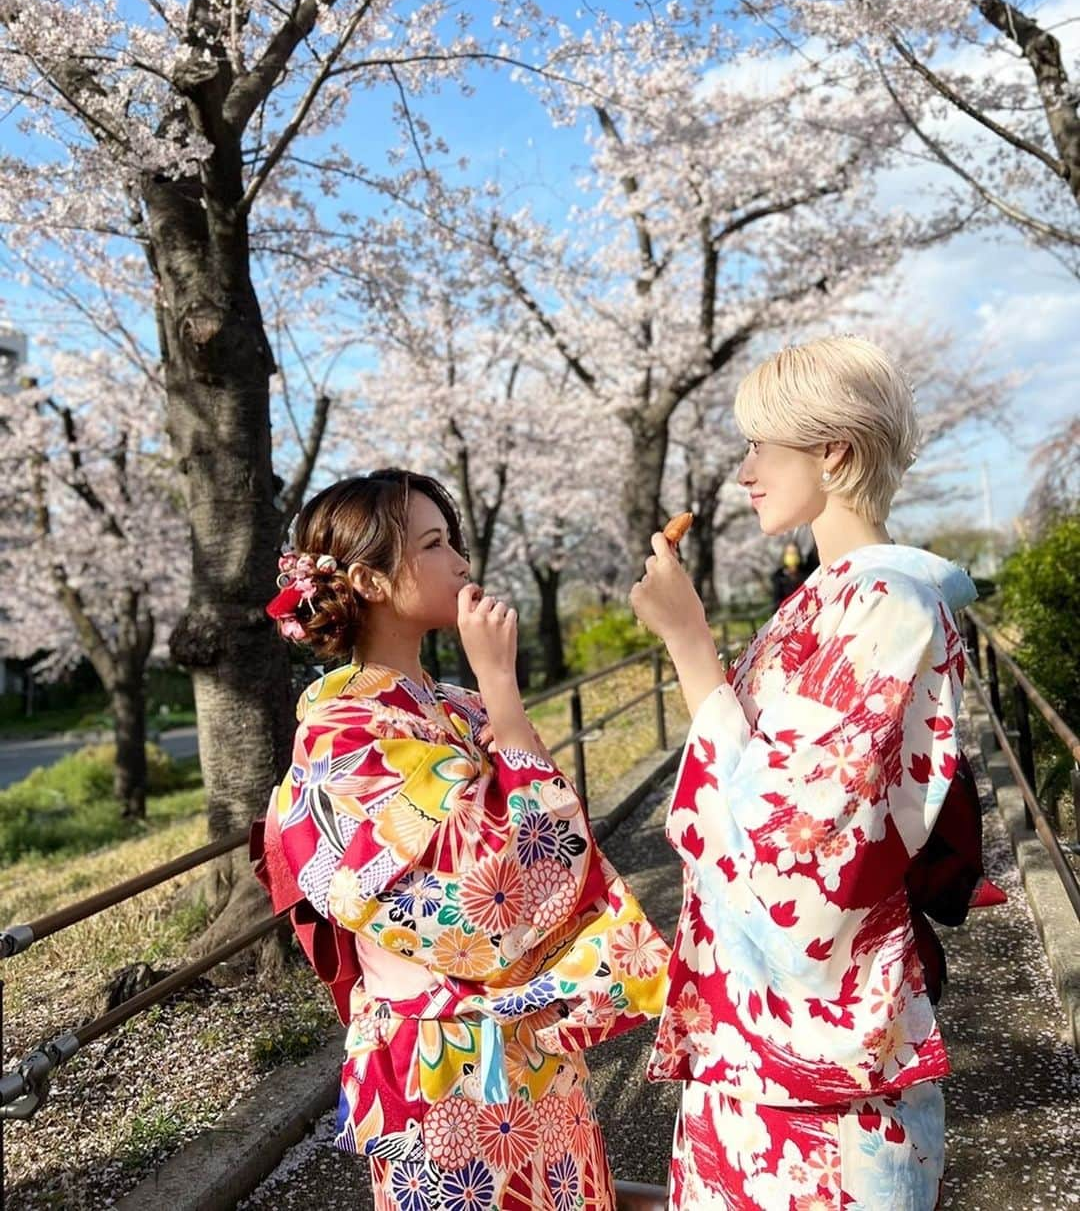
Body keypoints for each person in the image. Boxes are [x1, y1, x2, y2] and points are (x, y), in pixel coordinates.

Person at [629, 336, 986, 1210]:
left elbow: (795, 851)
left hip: (823, 1074)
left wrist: (690, 647)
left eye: (761, 445)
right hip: (760, 1046)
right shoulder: (829, 601)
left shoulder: (887, 606)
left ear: (832, 451)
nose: (744, 471)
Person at [251, 469, 669, 1211]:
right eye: (435, 545)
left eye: (454, 542)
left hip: (529, 1051)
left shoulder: (455, 705)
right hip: (443, 1065)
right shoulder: (342, 728)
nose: (461, 563)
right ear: (368, 581)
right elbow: (496, 895)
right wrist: (503, 687)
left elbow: (549, 835)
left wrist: (495, 698)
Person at [769, 542, 809, 612]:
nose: (792, 556)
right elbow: (776, 602)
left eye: (794, 553)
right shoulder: (779, 577)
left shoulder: (806, 573)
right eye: (789, 553)